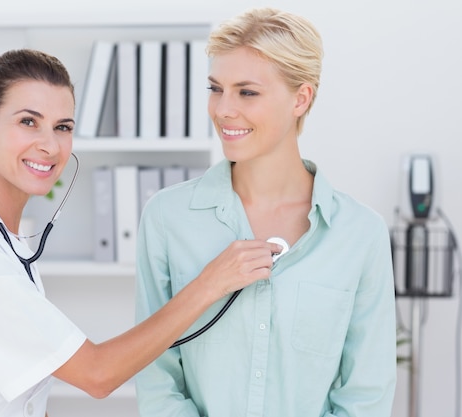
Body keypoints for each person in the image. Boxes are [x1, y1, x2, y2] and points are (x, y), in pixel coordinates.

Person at [0, 49, 281, 417]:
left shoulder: (3, 245)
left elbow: (16, 392)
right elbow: (98, 374)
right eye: (28, 122)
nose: (49, 145)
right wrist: (210, 283)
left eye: (63, 127)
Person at [134, 7, 397, 417]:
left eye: (247, 91)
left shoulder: (360, 233)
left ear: (301, 98)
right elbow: (156, 376)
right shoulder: (167, 218)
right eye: (215, 88)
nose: (223, 109)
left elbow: (366, 394)